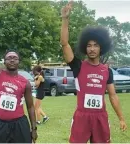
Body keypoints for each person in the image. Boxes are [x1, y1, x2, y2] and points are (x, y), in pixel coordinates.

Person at [60, 1, 127, 143]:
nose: (92, 49)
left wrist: (121, 118)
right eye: (89, 45)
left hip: (100, 117)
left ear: (101, 48)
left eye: (95, 45)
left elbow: (113, 96)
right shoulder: (77, 65)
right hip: (82, 116)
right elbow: (65, 44)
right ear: (85, 47)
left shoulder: (107, 70)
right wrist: (65, 19)